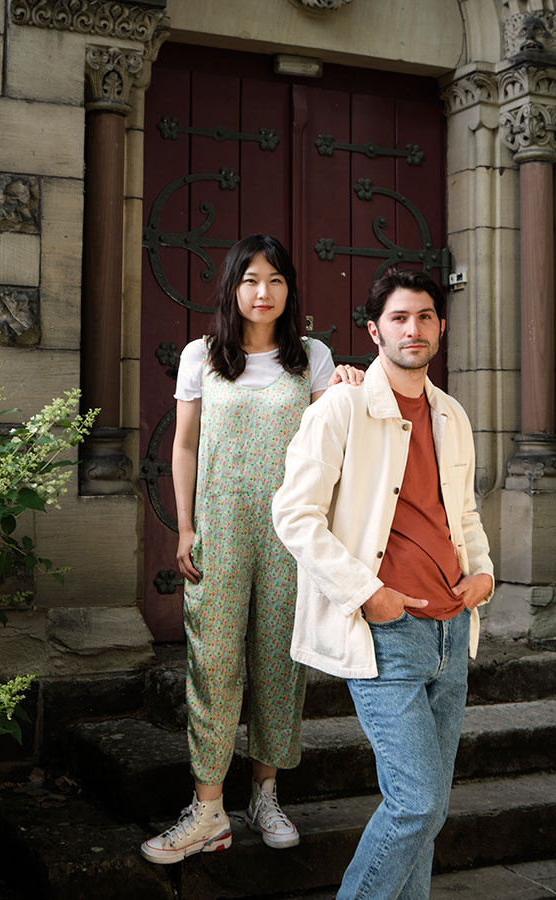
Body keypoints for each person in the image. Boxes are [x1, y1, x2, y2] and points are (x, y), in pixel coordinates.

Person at [272, 268, 495, 899]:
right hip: (386, 633)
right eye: (399, 318)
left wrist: (482, 573)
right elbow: (293, 513)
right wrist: (367, 593)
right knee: (416, 805)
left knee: (427, 816)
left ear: (441, 327)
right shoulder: (342, 408)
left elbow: (464, 511)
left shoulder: (451, 413)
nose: (413, 329)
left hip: (452, 631)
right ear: (375, 331)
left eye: (425, 316)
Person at [141, 234, 362, 865]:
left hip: (291, 537)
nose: (262, 293)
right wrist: (184, 529)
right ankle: (207, 810)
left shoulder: (311, 358)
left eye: (275, 281)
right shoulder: (202, 357)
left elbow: (335, 447)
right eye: (249, 280)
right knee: (212, 663)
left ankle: (265, 793)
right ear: (232, 288)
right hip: (220, 529)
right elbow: (183, 447)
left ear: (290, 290)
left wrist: (349, 385)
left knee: (278, 664)